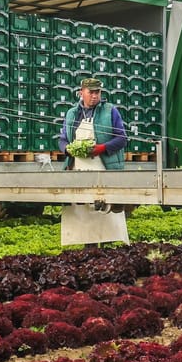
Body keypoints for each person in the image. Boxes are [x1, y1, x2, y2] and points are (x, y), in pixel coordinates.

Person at [57, 78, 128, 246]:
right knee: (82, 213)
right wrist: (67, 149)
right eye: (91, 92)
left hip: (103, 168)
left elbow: (122, 139)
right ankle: (89, 250)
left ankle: (107, 250)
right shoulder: (72, 113)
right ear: (81, 92)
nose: (95, 96)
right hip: (78, 170)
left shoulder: (110, 111)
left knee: (105, 213)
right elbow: (62, 139)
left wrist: (102, 148)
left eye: (98, 92)